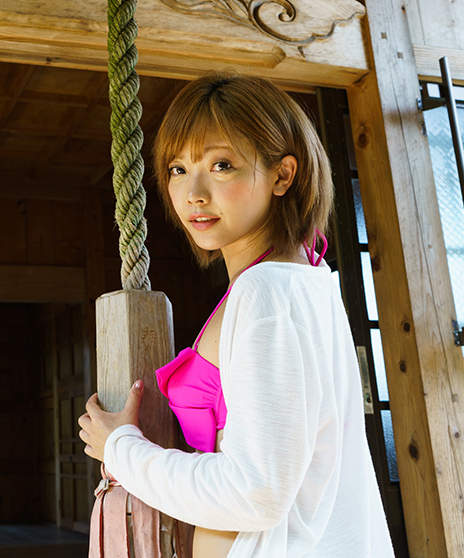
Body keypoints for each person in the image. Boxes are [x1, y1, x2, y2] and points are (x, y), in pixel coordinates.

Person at [78, 74, 394, 558]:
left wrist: (121, 447)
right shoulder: (305, 274)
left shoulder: (268, 291)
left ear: (283, 175)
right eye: (178, 169)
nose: (193, 193)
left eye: (221, 165)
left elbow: (256, 491)